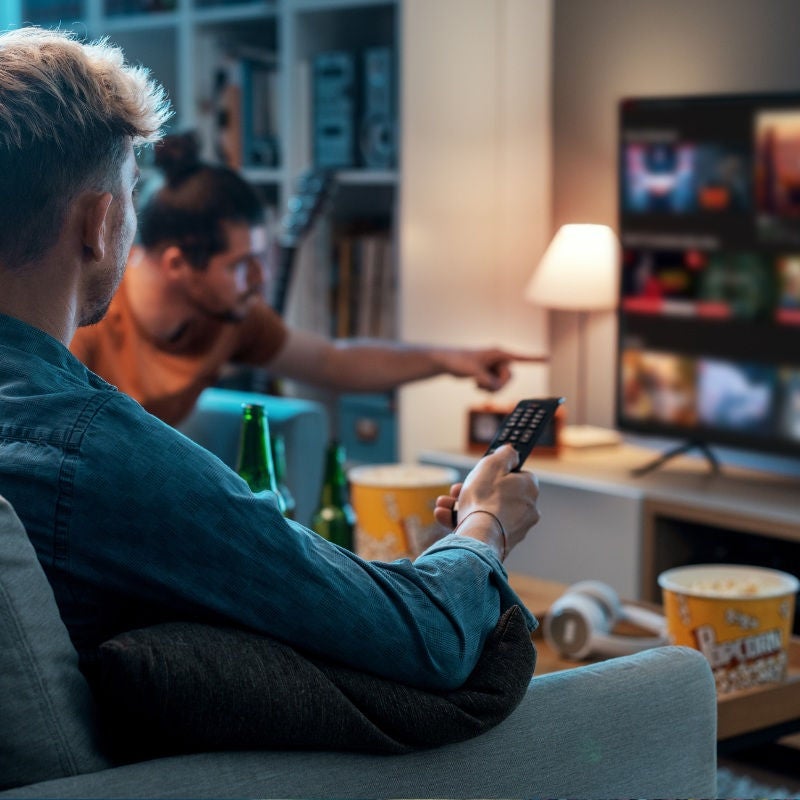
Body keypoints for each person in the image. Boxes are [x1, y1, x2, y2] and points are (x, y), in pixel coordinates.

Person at [0, 27, 540, 691]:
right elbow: (426, 637)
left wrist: (453, 358)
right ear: (98, 223)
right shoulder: (96, 447)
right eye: (134, 190)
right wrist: (485, 524)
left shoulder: (213, 332)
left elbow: (333, 360)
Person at [68, 131, 542, 427]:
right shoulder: (86, 324)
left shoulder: (230, 314)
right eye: (241, 265)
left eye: (264, 257)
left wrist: (447, 358)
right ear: (176, 264)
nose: (261, 278)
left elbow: (333, 363)